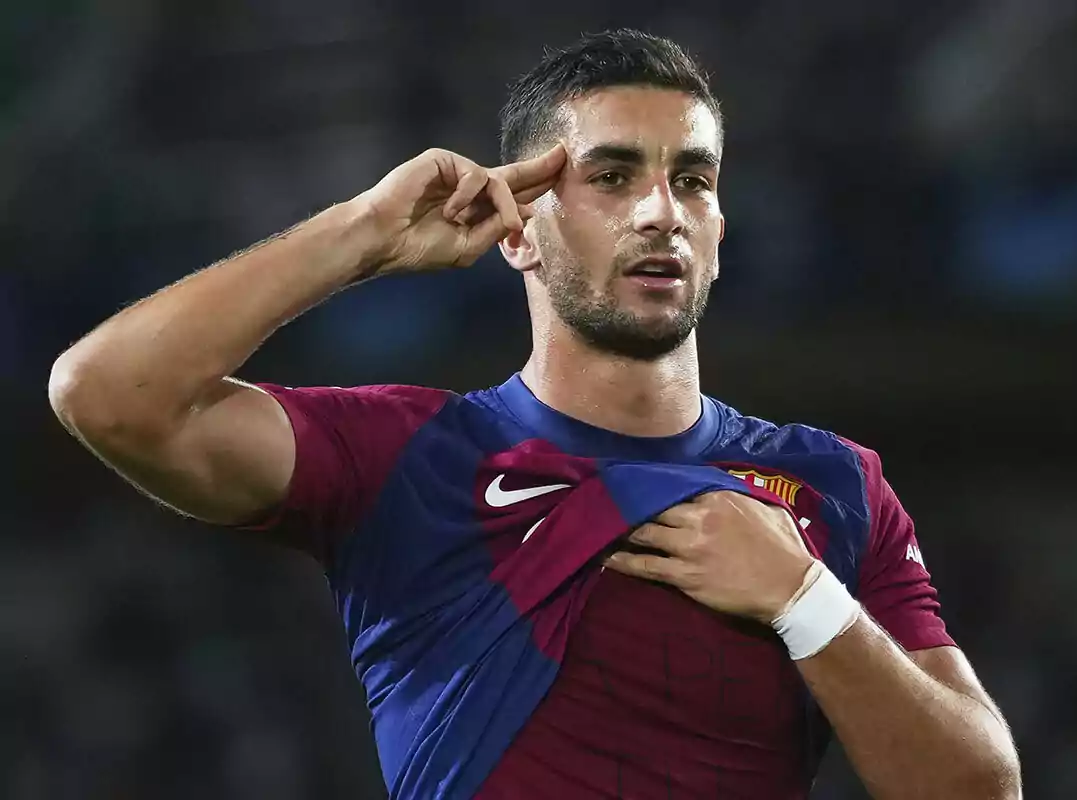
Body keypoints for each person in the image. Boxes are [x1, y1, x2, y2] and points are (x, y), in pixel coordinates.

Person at [49, 28, 1021, 800]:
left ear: (719, 230)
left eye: (692, 180)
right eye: (610, 176)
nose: (660, 213)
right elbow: (107, 393)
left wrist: (807, 601)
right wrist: (363, 236)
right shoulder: (407, 454)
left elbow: (981, 787)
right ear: (519, 230)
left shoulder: (834, 484)